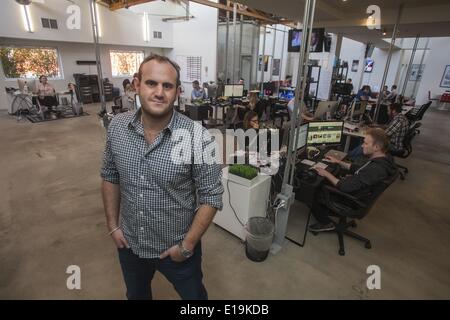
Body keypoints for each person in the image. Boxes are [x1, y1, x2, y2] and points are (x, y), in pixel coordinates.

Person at [101, 54, 223, 300]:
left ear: (177, 92)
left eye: (167, 86)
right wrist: (113, 225)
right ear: (137, 85)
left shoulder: (198, 136)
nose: (159, 92)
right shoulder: (117, 127)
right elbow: (110, 175)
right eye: (151, 83)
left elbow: (212, 196)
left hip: (176, 248)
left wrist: (187, 246)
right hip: (131, 244)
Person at [309, 128, 397, 232]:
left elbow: (344, 186)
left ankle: (325, 222)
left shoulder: (375, 169)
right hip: (359, 193)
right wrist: (338, 162)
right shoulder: (384, 159)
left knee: (310, 188)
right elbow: (359, 169)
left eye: (365, 143)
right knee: (329, 177)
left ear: (376, 147)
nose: (362, 145)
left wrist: (326, 173)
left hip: (351, 199)